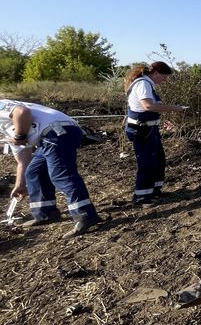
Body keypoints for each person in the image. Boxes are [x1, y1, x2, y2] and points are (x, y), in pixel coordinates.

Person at [0, 99, 101, 239]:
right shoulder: (6, 129)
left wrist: (19, 136)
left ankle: (86, 215)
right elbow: (23, 160)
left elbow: (22, 112)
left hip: (56, 131)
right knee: (34, 171)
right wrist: (20, 184)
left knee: (61, 175)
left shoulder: (2, 107)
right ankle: (45, 213)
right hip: (52, 135)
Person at [124, 61, 185, 207]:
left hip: (150, 129)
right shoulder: (143, 83)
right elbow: (148, 106)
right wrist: (173, 108)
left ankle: (154, 191)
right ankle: (142, 197)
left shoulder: (148, 84)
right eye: (163, 77)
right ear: (156, 73)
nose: (164, 81)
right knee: (147, 162)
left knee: (158, 160)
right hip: (142, 130)